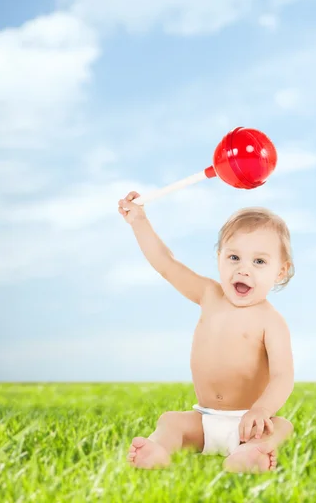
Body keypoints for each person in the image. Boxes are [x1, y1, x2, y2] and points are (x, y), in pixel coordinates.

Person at [118, 191, 295, 473]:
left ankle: (249, 454)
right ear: (219, 257)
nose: (243, 270)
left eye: (259, 262)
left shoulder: (271, 321)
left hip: (247, 422)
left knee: (282, 426)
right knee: (171, 421)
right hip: (204, 419)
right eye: (234, 257)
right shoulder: (209, 295)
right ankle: (159, 449)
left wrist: (261, 410)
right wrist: (139, 221)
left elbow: (283, 375)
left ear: (280, 272)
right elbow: (166, 264)